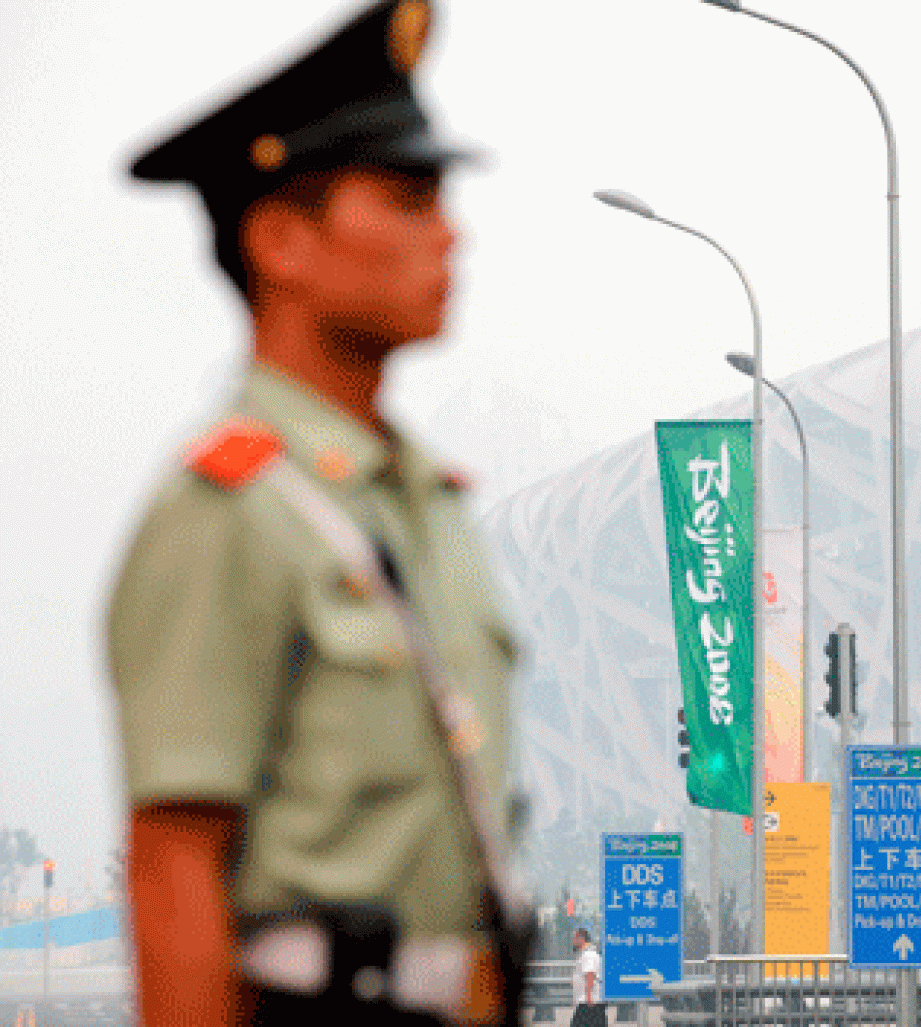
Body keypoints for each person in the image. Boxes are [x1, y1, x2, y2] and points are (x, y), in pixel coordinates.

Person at [106, 3, 528, 1025]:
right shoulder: (229, 511)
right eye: (409, 198)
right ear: (282, 240)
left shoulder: (426, 505)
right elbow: (174, 870)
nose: (450, 232)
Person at [570, 928, 605, 1027]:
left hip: (588, 1003)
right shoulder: (586, 954)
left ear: (581, 938)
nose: (573, 941)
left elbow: (590, 976)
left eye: (574, 938)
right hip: (589, 1002)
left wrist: (589, 1000)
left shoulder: (588, 955)